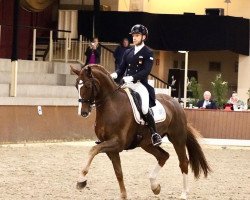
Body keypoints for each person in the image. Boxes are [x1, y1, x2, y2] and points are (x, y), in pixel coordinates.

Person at [110, 24, 162, 146]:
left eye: (137, 35)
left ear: (143, 37)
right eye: (133, 35)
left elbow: (146, 71)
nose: (134, 38)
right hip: (126, 84)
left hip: (139, 85)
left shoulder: (148, 52)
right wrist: (114, 75)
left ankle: (154, 134)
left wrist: (131, 77)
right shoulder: (128, 52)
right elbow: (121, 68)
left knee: (144, 108)